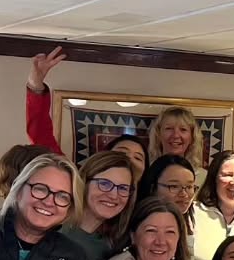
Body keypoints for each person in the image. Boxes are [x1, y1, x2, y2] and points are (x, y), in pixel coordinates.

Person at [23, 47, 149, 180]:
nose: (128, 159)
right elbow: (41, 135)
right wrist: (35, 86)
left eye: (138, 158)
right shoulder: (74, 187)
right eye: (122, 152)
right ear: (103, 158)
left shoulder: (153, 200)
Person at [64, 150, 137, 260]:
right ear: (84, 182)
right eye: (104, 184)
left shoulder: (114, 245)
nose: (114, 195)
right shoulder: (57, 229)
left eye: (123, 188)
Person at [148, 106, 205, 171]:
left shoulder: (204, 177)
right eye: (169, 128)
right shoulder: (145, 173)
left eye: (183, 129)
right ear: (158, 135)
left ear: (192, 137)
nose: (175, 135)